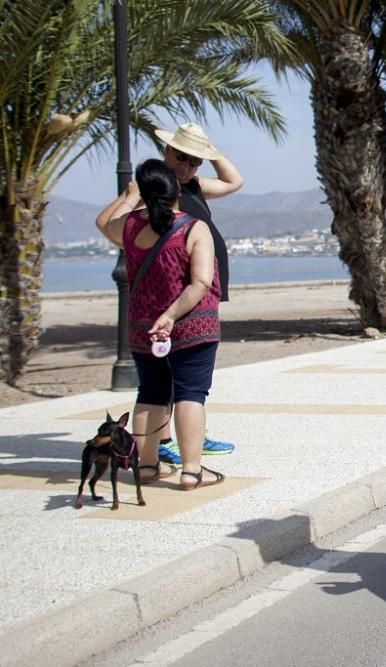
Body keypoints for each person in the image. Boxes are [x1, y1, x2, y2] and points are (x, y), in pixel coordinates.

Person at [95, 159, 225, 489]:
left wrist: (128, 196)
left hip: (143, 327)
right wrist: (171, 316)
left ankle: (148, 466)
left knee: (150, 394)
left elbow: (103, 223)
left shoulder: (129, 227)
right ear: (176, 190)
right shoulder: (193, 228)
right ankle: (192, 471)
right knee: (190, 394)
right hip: (191, 325)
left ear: (143, 191)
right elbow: (200, 282)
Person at [153, 123, 242, 465]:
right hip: (180, 285)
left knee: (190, 366)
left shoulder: (191, 184)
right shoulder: (158, 187)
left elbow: (234, 182)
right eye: (182, 157)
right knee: (170, 365)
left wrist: (212, 153)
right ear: (167, 152)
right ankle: (163, 440)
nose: (188, 166)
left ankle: (192, 435)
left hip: (202, 286)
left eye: (195, 161)